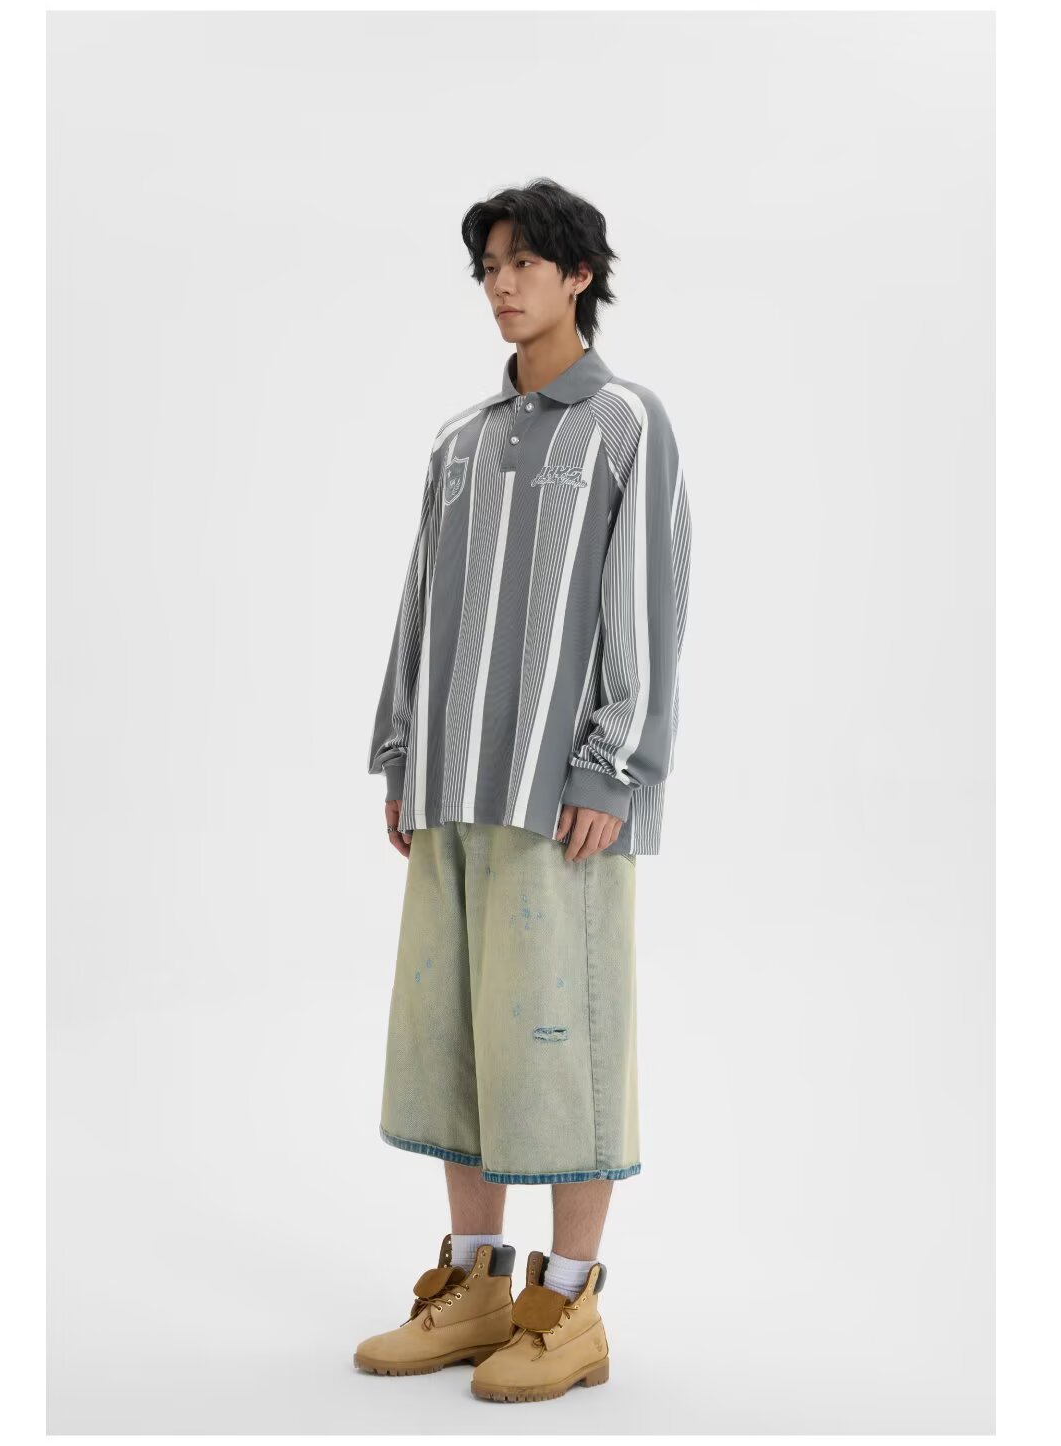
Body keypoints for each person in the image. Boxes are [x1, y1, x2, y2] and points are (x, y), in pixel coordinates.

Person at [356, 177, 691, 1403]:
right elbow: (420, 605)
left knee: (563, 1046)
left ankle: (572, 1306)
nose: (502, 285)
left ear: (579, 275)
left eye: (524, 264)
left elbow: (649, 603)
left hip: (563, 804)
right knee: (454, 1042)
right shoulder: (460, 440)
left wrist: (614, 765)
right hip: (453, 788)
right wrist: (402, 753)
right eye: (489, 267)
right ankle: (476, 1286)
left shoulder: (626, 423)